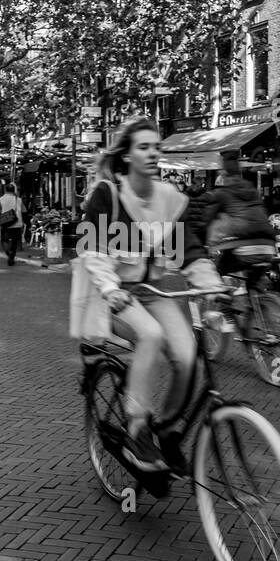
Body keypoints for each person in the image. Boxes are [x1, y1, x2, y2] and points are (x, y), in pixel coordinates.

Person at [80, 116, 223, 473]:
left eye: (156, 147)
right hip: (113, 292)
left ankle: (166, 428)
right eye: (143, 147)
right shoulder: (108, 194)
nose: (152, 154)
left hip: (152, 291)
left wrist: (210, 282)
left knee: (188, 352)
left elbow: (188, 249)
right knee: (151, 335)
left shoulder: (170, 200)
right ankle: (138, 428)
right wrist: (111, 289)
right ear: (127, 156)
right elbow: (92, 249)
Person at [0, 181, 25, 266]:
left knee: (4, 240)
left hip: (5, 223)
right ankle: (12, 256)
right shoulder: (18, 200)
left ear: (5, 190)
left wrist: (4, 211)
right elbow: (24, 210)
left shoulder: (1, 199)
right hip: (17, 223)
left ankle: (8, 252)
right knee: (15, 241)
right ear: (13, 190)